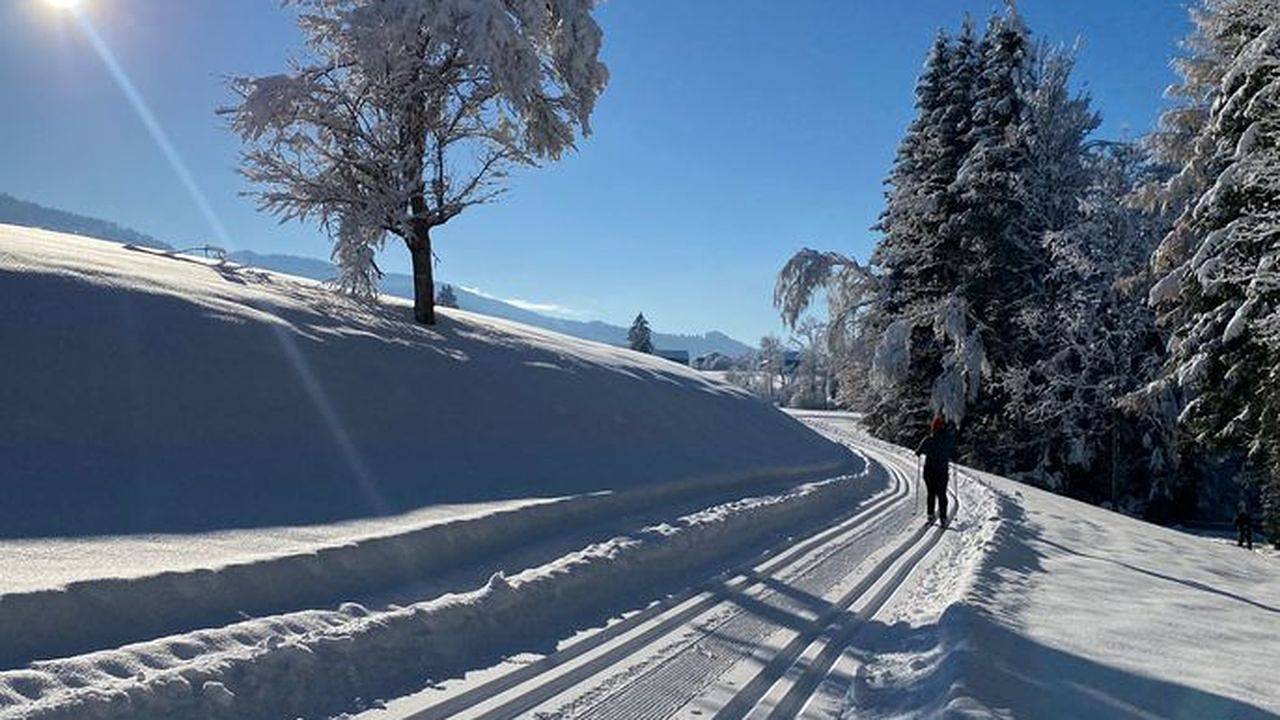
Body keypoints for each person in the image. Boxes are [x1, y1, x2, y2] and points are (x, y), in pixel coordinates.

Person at [915, 414, 956, 526]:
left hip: (929, 472)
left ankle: (930, 515)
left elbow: (918, 452)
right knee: (942, 494)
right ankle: (943, 517)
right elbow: (954, 454)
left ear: (933, 427)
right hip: (942, 472)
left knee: (931, 493)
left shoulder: (928, 439)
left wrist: (923, 452)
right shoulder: (948, 440)